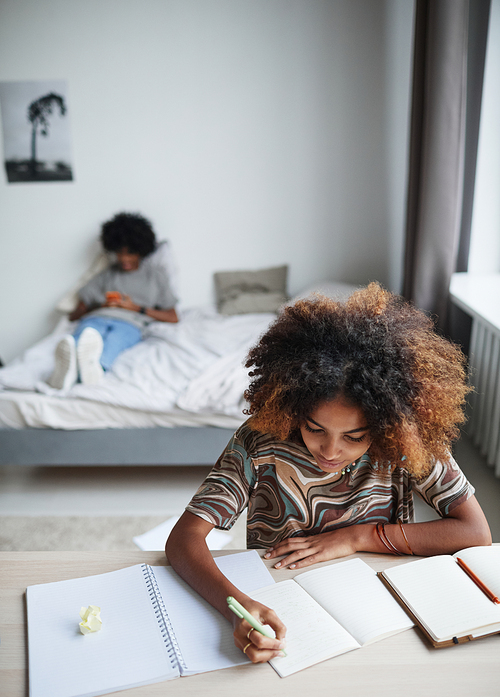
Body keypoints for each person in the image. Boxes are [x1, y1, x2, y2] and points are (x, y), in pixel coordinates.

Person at [166, 282, 492, 664]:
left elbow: (476, 533)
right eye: (314, 429)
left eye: (354, 437)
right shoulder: (261, 440)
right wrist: (235, 605)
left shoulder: (405, 441)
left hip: (378, 601)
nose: (331, 451)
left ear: (387, 424)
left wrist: (357, 536)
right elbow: (184, 539)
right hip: (278, 593)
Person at [47, 212, 178, 389]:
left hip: (131, 322)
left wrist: (136, 308)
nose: (124, 259)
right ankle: (68, 367)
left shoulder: (155, 277)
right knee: (84, 335)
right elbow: (74, 316)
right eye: (119, 253)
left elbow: (173, 317)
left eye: (130, 253)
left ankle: (96, 368)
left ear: (141, 250)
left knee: (116, 340)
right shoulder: (106, 275)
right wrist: (101, 305)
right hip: (97, 317)